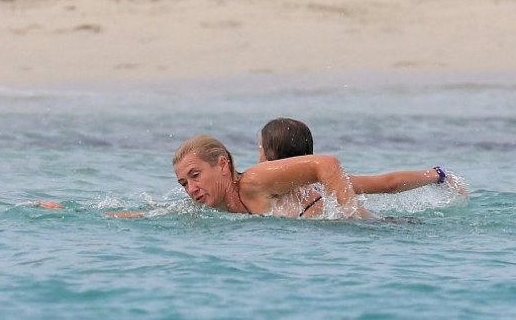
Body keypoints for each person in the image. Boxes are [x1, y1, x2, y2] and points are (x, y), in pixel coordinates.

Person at [258, 118, 467, 217]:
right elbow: (388, 184)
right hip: (379, 225)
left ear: (270, 156)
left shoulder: (261, 191)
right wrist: (438, 175)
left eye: (259, 147)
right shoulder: (327, 183)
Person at [173, 134, 374, 219]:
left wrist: (352, 218)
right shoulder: (213, 206)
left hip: (369, 229)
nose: (191, 189)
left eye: (196, 175)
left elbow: (327, 163)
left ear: (222, 165)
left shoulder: (253, 182)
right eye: (184, 184)